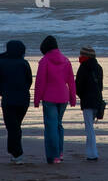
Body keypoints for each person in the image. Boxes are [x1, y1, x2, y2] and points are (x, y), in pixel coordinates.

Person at [33, 35, 76, 164]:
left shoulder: (44, 61)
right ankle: (60, 153)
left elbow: (40, 82)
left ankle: (54, 155)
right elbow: (71, 81)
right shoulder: (66, 60)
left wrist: (36, 100)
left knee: (50, 126)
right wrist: (73, 98)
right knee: (58, 125)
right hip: (63, 96)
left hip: (49, 97)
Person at [0, 40, 32, 163]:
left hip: (8, 100)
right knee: (15, 126)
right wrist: (23, 90)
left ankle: (17, 154)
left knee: (13, 127)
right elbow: (29, 81)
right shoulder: (24, 63)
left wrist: (2, 92)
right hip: (23, 100)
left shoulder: (2, 63)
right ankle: (14, 153)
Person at [75, 46, 104, 161]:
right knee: (90, 127)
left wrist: (82, 97)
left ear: (85, 56)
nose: (80, 57)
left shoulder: (83, 68)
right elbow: (100, 86)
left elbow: (78, 86)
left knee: (89, 129)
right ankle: (90, 152)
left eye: (81, 55)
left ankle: (92, 153)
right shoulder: (99, 67)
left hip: (87, 101)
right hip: (97, 100)